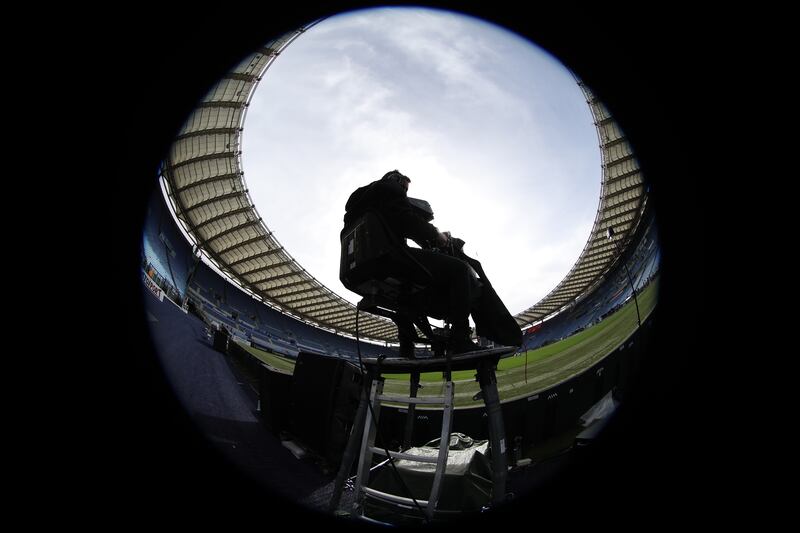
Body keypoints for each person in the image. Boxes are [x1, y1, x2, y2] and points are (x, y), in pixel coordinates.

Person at [342, 170, 521, 354]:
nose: (404, 191)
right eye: (404, 186)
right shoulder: (390, 188)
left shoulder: (360, 201)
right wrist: (437, 236)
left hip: (356, 270)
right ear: (396, 180)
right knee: (459, 270)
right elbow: (407, 221)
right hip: (388, 259)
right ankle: (459, 338)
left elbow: (393, 223)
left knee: (403, 295)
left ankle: (406, 347)